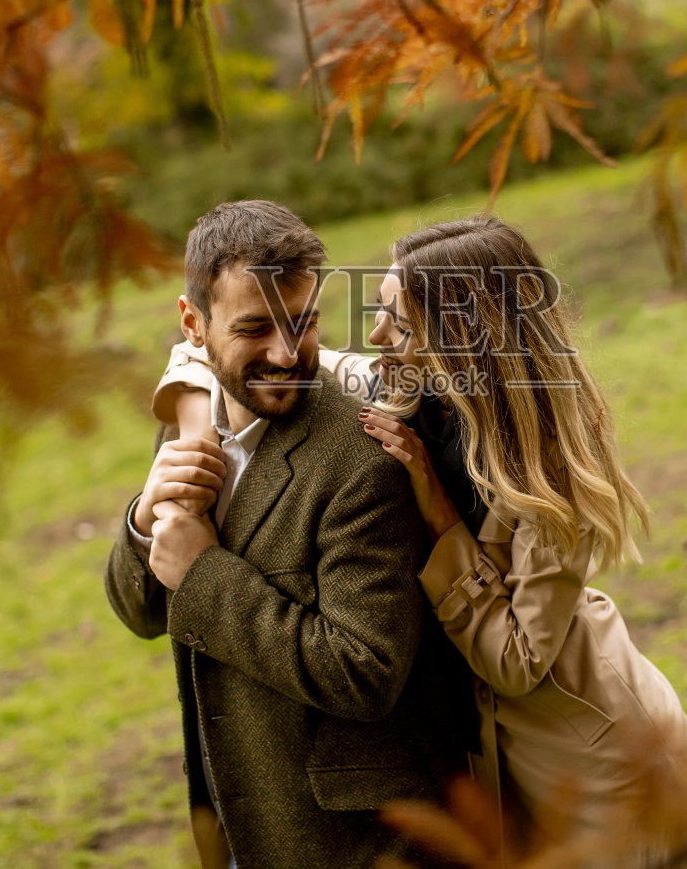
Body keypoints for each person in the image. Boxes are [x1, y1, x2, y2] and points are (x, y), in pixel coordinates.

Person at [152, 214, 687, 868]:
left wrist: (442, 518)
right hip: (492, 752)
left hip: (589, 748)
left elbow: (519, 661)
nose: (378, 335)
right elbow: (215, 347)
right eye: (380, 311)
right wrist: (195, 434)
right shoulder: (413, 388)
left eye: (401, 324)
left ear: (464, 340)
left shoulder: (546, 466)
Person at [103, 200, 471, 869]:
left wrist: (204, 574)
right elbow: (141, 609)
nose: (285, 351)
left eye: (302, 323)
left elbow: (366, 671)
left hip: (357, 846)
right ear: (193, 323)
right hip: (240, 826)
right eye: (254, 328)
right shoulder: (189, 423)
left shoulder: (361, 459)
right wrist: (143, 516)